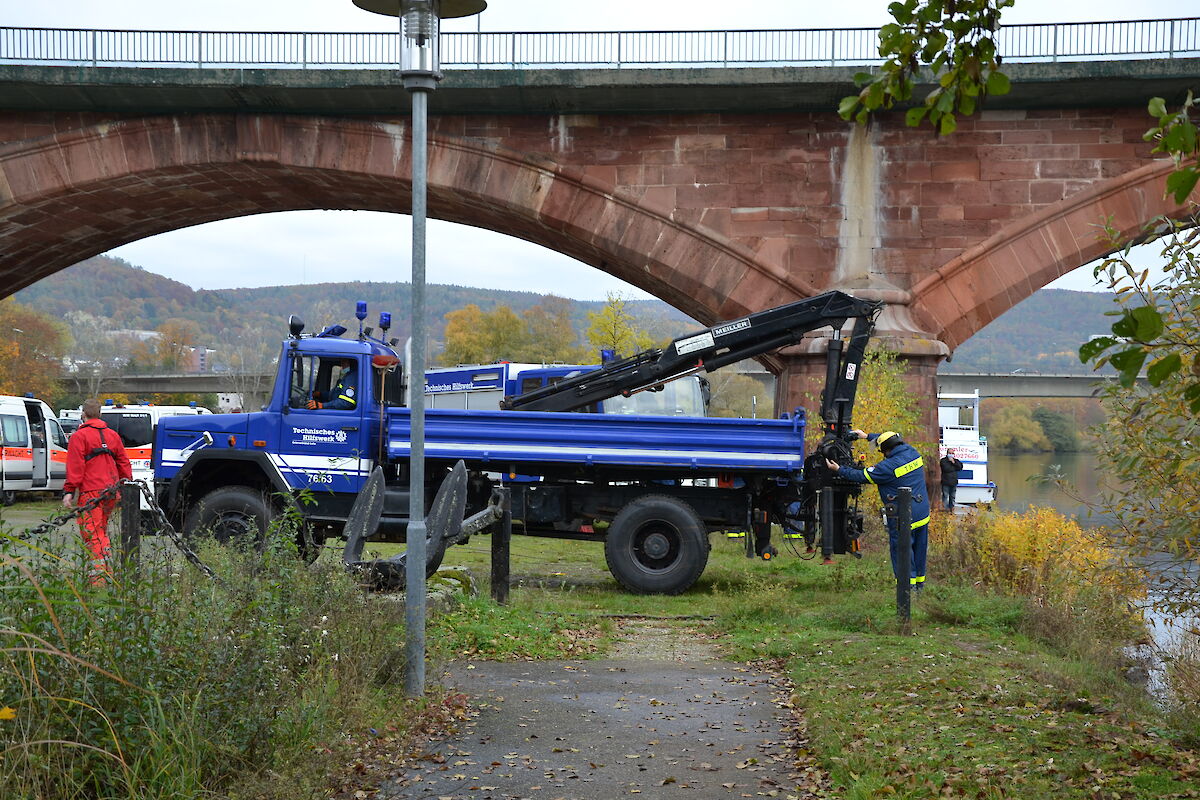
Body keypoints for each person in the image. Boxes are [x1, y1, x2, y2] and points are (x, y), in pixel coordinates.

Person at [825, 430, 930, 591]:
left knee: (902, 552)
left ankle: (907, 590)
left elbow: (861, 475)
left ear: (887, 450)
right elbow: (889, 440)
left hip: (903, 516)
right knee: (919, 550)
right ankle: (919, 586)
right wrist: (867, 436)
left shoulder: (887, 467)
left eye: (882, 450)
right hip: (922, 512)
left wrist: (839, 469)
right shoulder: (912, 452)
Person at [63, 398, 132, 584]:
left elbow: (76, 466)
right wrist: (126, 485)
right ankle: (106, 570)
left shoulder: (79, 437)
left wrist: (69, 490)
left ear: (83, 414)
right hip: (110, 491)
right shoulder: (112, 435)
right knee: (101, 530)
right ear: (100, 414)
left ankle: (99, 578)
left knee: (92, 533)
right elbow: (124, 462)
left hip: (91, 492)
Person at [939, 447, 964, 511]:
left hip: (954, 482)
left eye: (952, 453)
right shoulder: (943, 460)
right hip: (945, 482)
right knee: (945, 496)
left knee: (952, 497)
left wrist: (953, 463)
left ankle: (951, 509)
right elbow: (946, 468)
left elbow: (960, 467)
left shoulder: (956, 461)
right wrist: (954, 467)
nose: (951, 454)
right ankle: (945, 509)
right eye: (950, 453)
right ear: (947, 453)